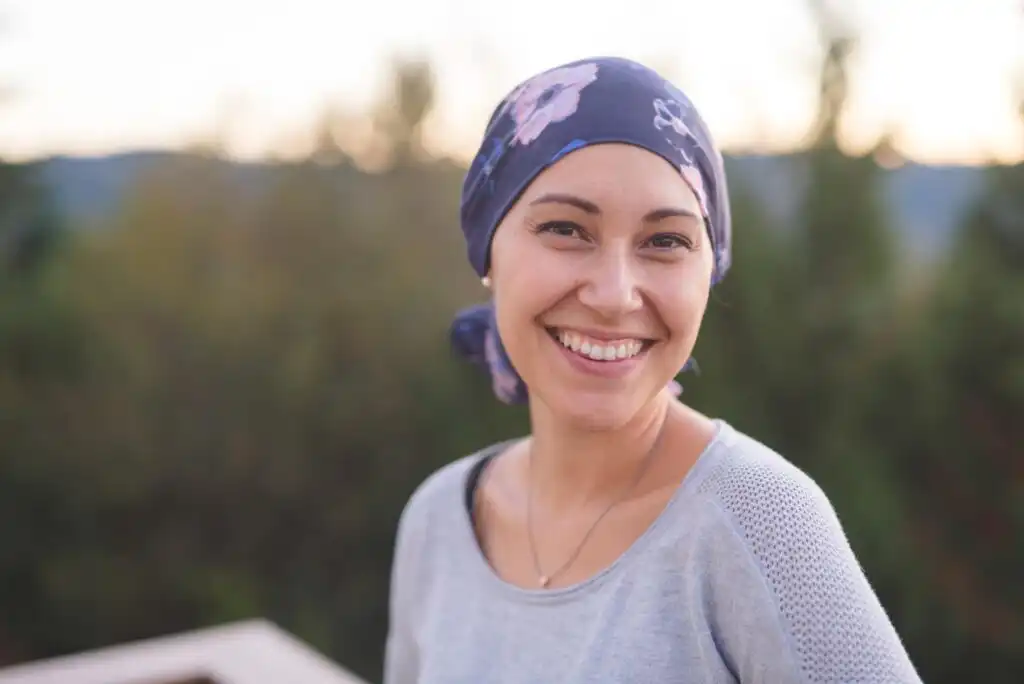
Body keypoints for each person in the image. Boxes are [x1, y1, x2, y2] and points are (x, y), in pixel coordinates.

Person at [383, 56, 922, 684]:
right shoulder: (438, 520)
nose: (615, 294)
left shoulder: (757, 518)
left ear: (708, 273)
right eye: (565, 229)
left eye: (665, 241)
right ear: (488, 254)